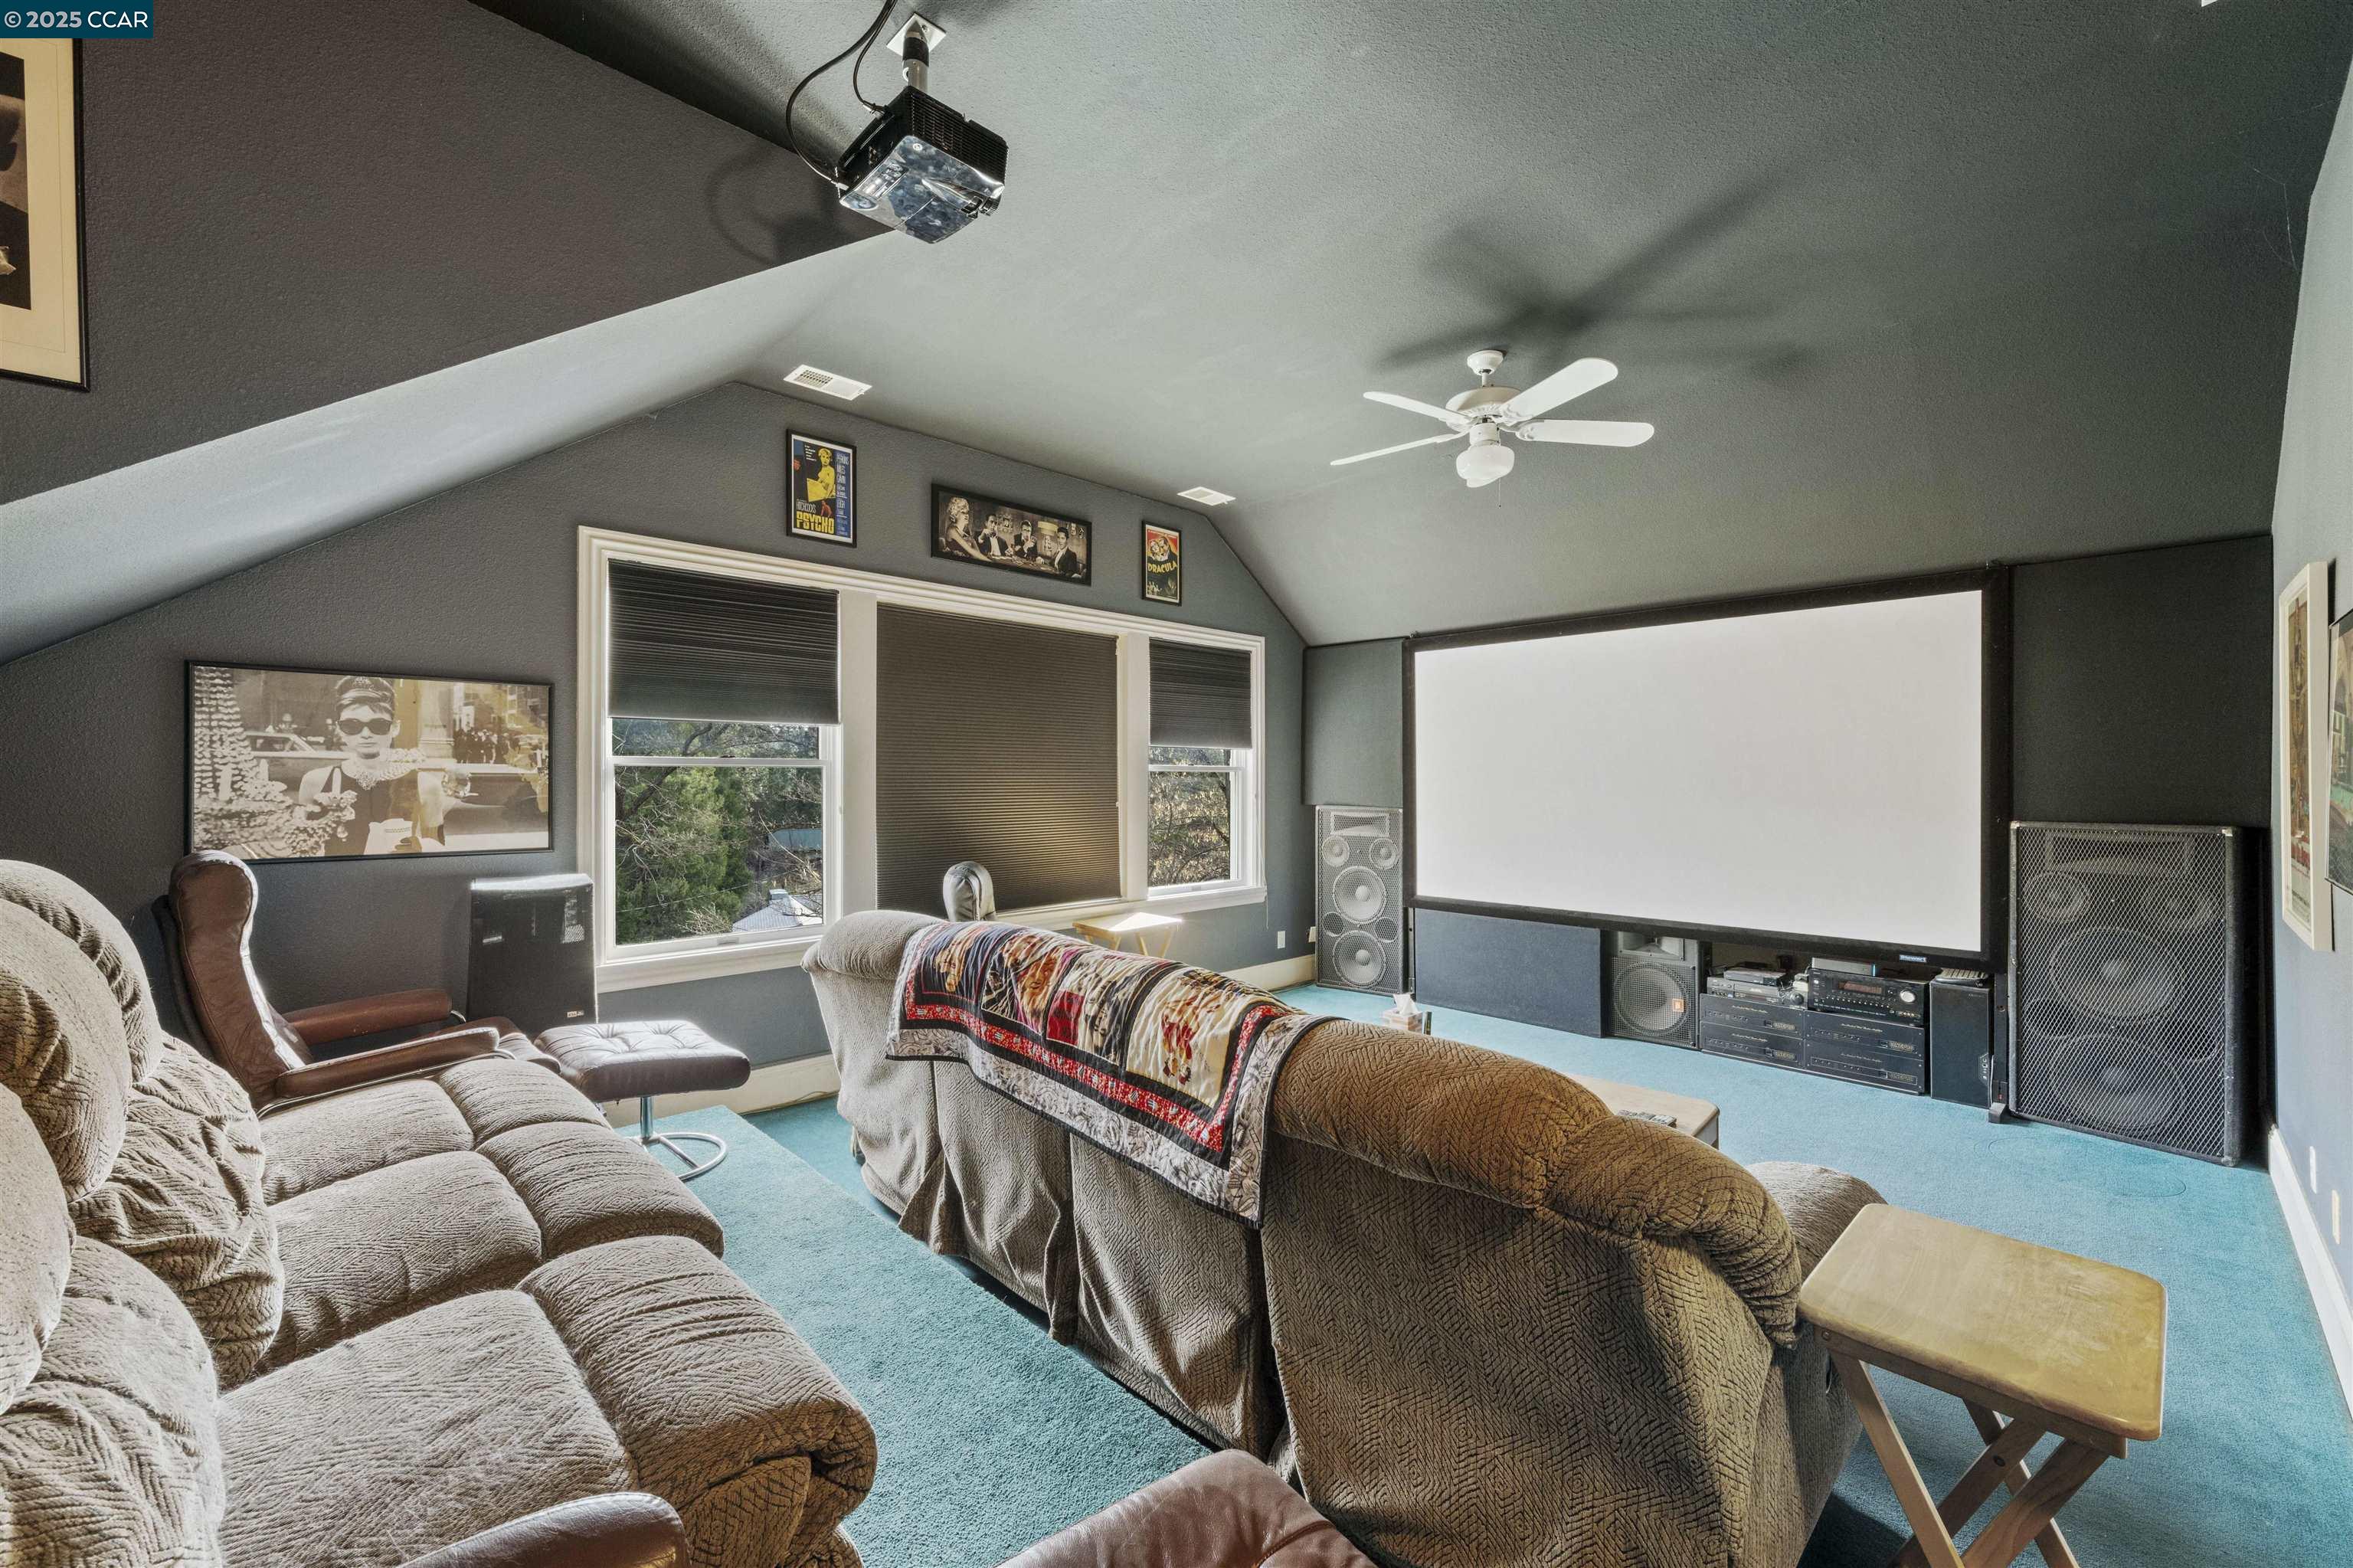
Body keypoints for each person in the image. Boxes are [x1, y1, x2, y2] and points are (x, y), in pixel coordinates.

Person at [296, 676, 463, 856]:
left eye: (378, 725)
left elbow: (437, 847)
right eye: (352, 725)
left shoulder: (425, 785)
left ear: (395, 728)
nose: (366, 734)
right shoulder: (315, 782)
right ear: (339, 729)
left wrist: (420, 847)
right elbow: (303, 848)